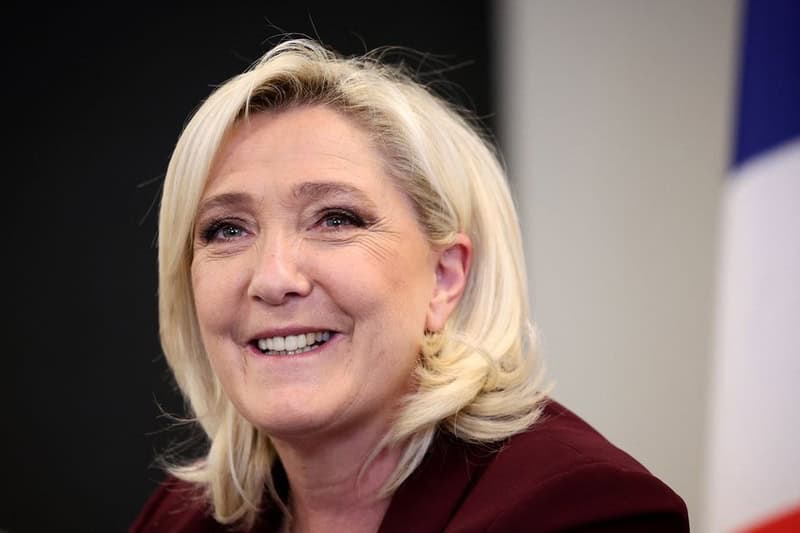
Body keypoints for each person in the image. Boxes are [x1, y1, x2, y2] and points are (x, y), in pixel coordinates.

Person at [131, 39, 689, 532]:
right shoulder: (182, 519)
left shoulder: (583, 511)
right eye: (226, 229)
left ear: (445, 277)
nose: (273, 279)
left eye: (335, 219)